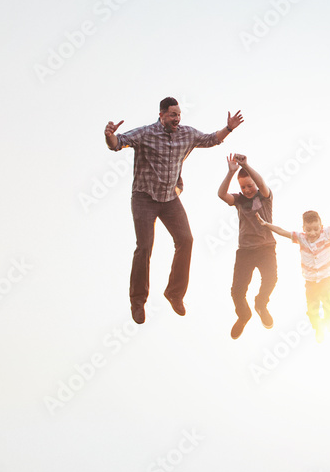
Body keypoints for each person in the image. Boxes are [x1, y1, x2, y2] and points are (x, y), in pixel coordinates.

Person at [104, 97, 244, 324]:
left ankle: (174, 293)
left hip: (170, 198)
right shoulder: (146, 133)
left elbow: (210, 139)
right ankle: (138, 301)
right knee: (144, 247)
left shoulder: (186, 134)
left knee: (186, 240)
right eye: (172, 115)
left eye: (178, 114)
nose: (177, 118)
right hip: (144, 197)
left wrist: (228, 128)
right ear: (161, 115)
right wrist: (109, 135)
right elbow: (117, 143)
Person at [258, 195, 330, 343]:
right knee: (312, 308)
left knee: (328, 301)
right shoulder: (301, 238)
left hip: (326, 277)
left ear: (321, 226)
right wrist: (266, 224)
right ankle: (318, 328)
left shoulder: (327, 233)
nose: (312, 233)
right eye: (308, 230)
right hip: (310, 280)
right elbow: (282, 231)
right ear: (303, 229)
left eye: (316, 229)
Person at [217, 153, 277, 340]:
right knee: (237, 291)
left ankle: (261, 304)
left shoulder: (265, 197)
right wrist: (231, 173)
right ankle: (244, 315)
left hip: (266, 247)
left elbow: (262, 184)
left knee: (271, 279)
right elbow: (221, 194)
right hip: (245, 251)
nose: (247, 190)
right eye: (243, 187)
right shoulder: (239, 200)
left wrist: (247, 166)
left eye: (250, 186)